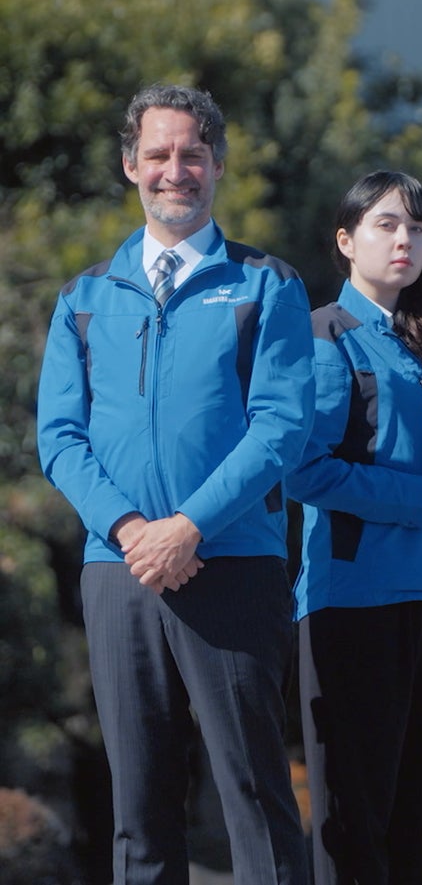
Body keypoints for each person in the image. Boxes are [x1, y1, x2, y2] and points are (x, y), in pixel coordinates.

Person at [37, 83, 315, 885]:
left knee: (255, 796)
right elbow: (60, 437)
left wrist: (188, 527)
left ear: (218, 164)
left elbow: (281, 426)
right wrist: (134, 532)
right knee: (139, 806)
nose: (175, 169)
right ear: (130, 165)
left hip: (232, 565)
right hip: (119, 571)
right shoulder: (84, 297)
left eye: (192, 153)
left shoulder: (267, 285)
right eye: (157, 153)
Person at [287, 170, 422, 885]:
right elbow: (303, 472)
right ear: (346, 240)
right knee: (353, 828)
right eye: (386, 224)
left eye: (417, 227)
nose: (405, 238)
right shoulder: (324, 334)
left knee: (412, 827)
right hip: (353, 602)